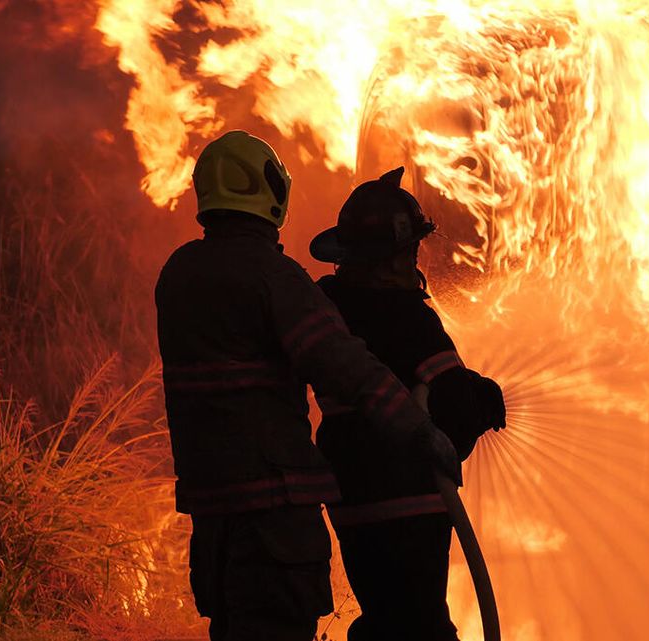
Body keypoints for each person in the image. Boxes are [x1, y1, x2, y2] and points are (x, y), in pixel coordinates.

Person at [155, 131, 461, 641]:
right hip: (275, 514)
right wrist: (419, 430)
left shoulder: (178, 275)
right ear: (268, 190)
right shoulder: (274, 278)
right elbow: (341, 363)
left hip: (213, 513)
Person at [310, 167, 505, 641]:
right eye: (410, 251)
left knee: (385, 620)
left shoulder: (327, 310)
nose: (413, 262)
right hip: (409, 500)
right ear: (391, 257)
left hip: (351, 499)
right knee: (422, 627)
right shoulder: (406, 318)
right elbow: (455, 410)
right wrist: (485, 398)